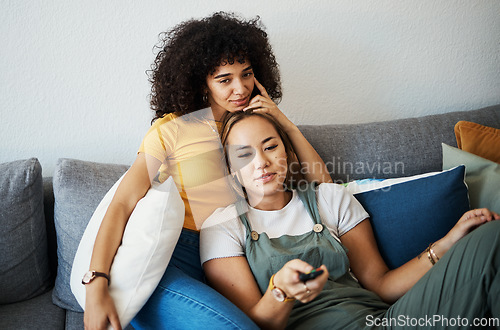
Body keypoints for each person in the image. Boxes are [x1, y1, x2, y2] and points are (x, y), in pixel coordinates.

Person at [82, 12, 332, 330]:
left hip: (232, 255)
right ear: (202, 81)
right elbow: (122, 203)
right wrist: (97, 281)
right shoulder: (173, 128)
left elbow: (324, 187)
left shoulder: (258, 133)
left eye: (247, 74)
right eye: (224, 79)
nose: (240, 88)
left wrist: (283, 122)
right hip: (169, 258)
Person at [200, 110, 500, 329]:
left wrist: (448, 244)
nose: (261, 163)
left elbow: (381, 285)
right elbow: (254, 325)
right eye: (244, 155)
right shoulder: (223, 226)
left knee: (492, 235)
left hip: (387, 321)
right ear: (230, 168)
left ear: (288, 153)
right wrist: (281, 290)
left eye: (270, 146)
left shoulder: (329, 198)